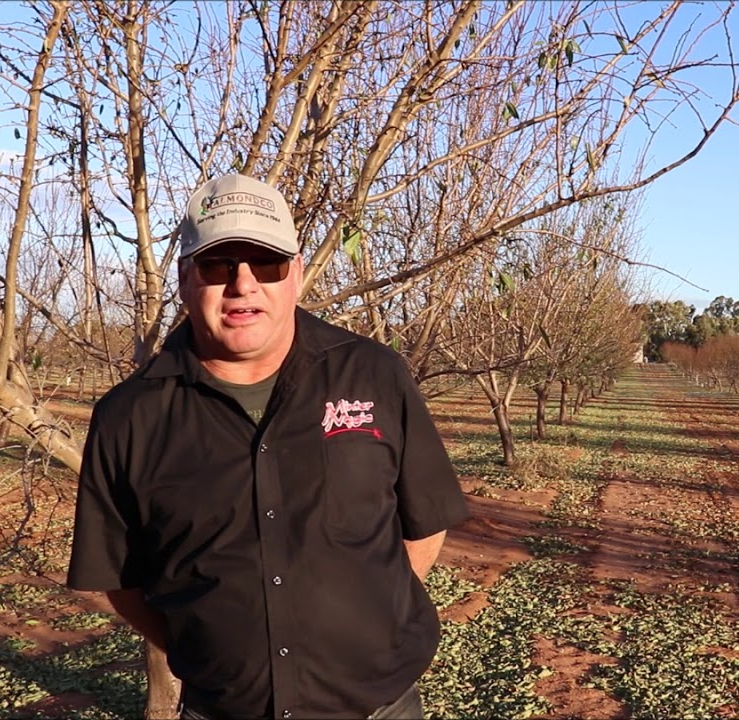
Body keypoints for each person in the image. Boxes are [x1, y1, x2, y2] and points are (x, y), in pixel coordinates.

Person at [66, 173, 469, 719]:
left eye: (267, 263)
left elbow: (424, 521)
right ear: (185, 279)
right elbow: (123, 578)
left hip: (381, 708)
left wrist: (374, 611)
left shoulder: (373, 374)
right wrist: (209, 647)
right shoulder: (128, 416)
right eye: (217, 265)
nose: (243, 284)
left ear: (296, 274)